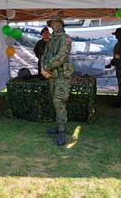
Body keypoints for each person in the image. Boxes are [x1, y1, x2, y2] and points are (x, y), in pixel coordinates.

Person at [41, 15, 74, 146]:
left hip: (61, 76)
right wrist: (43, 68)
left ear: (61, 24)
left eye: (56, 23)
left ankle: (61, 130)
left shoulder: (65, 38)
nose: (54, 25)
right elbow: (44, 55)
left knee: (58, 100)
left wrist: (47, 67)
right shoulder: (51, 39)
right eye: (52, 23)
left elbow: (61, 56)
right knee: (55, 102)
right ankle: (59, 125)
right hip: (52, 75)